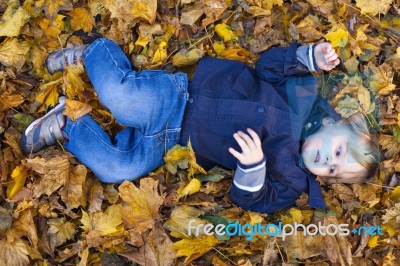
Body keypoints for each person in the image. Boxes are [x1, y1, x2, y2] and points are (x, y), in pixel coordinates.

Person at [20, 38, 380, 214]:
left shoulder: (291, 179)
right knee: (122, 99)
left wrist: (253, 168)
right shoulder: (301, 94)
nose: (326, 161)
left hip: (174, 143)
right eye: (336, 151)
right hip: (183, 98)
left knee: (118, 168)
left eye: (333, 170)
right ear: (338, 125)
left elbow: (252, 200)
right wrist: (308, 57)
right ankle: (95, 52)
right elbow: (267, 65)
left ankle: (69, 124)